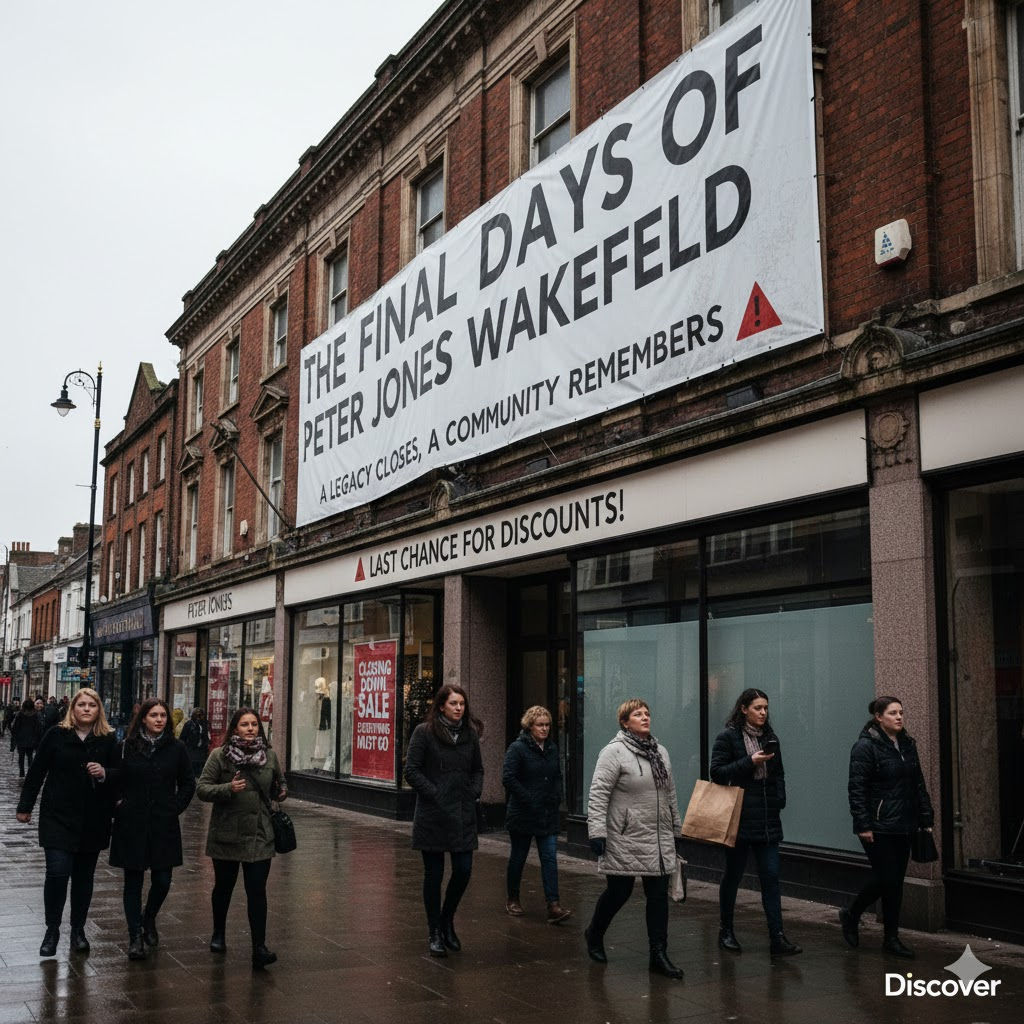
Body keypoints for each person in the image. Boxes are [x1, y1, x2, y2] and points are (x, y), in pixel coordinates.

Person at [584, 698, 684, 979]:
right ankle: (594, 933)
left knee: (658, 897)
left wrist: (676, 829)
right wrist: (597, 832)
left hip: (658, 836)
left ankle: (658, 954)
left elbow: (670, 793)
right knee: (619, 892)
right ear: (624, 722)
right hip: (625, 835)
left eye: (647, 713)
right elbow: (598, 793)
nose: (645, 717)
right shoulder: (613, 752)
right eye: (637, 714)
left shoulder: (660, 751)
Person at [15, 688, 117, 957]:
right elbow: (37, 771)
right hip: (57, 816)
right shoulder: (56, 735)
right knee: (57, 873)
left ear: (98, 710)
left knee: (84, 878)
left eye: (91, 705)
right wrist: (25, 807)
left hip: (93, 819)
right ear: (72, 709)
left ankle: (78, 930)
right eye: (81, 704)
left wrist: (106, 773)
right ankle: (52, 930)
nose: (86, 709)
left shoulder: (107, 739)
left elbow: (121, 774)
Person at [710, 688, 802, 957]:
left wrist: (779, 800)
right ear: (744, 709)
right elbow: (716, 773)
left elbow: (779, 773)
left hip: (767, 819)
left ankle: (778, 936)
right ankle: (726, 931)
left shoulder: (770, 738)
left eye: (766, 708)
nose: (763, 713)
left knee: (771, 878)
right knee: (733, 876)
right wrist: (749, 762)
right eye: (758, 708)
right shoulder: (728, 738)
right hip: (738, 818)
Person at [842, 695, 934, 959]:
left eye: (901, 712)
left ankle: (891, 938)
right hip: (877, 826)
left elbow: (918, 783)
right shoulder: (865, 747)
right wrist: (863, 824)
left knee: (895, 883)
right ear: (878, 717)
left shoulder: (907, 744)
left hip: (905, 823)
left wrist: (925, 816)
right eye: (893, 713)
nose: (899, 717)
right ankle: (853, 913)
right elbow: (856, 789)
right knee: (887, 878)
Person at [197, 706, 287, 970]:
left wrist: (281, 792)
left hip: (260, 834)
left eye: (254, 724)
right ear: (234, 728)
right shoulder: (220, 755)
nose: (250, 729)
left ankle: (259, 946)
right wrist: (228, 788)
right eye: (244, 724)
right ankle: (218, 933)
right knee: (223, 888)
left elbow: (280, 784)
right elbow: (202, 788)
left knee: (257, 892)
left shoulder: (269, 755)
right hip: (227, 833)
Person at [109, 698, 195, 961]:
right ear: (143, 718)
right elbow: (115, 778)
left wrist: (175, 808)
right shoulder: (127, 747)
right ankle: (135, 936)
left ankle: (149, 917)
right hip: (132, 823)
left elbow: (188, 783)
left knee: (162, 880)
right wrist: (118, 804)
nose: (159, 719)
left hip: (163, 822)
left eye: (163, 716)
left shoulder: (176, 748)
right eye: (153, 715)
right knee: (132, 882)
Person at [404, 683, 484, 958]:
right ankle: (435, 930)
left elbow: (478, 770)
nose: (458, 708)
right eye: (453, 703)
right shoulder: (424, 733)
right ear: (441, 706)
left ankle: (447, 919)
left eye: (461, 704)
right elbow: (411, 771)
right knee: (434, 875)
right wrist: (434, 793)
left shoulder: (470, 734)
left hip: (462, 812)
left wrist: (473, 792)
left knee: (463, 870)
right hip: (433, 814)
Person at [502, 705, 571, 923]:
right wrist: (529, 798)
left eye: (547, 725)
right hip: (523, 813)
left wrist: (557, 795)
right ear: (530, 726)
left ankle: (553, 904)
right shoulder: (517, 748)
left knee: (549, 858)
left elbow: (557, 775)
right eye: (540, 725)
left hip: (547, 814)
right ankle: (512, 898)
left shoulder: (551, 748)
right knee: (518, 858)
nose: (544, 729)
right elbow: (509, 778)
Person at [11, 699, 43, 777]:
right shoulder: (35, 715)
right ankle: (30, 772)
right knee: (30, 756)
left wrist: (14, 739)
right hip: (31, 739)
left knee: (21, 757)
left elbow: (15, 727)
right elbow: (38, 728)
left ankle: (21, 772)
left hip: (21, 739)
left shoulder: (20, 714)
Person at [180, 707, 212, 778]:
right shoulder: (189, 724)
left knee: (199, 769)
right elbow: (183, 737)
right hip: (191, 749)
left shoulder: (204, 724)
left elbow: (206, 737)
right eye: (198, 715)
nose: (199, 718)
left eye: (201, 715)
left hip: (200, 750)